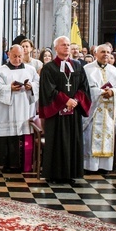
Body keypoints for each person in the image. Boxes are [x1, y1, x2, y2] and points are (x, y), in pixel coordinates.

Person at [38, 36, 91, 181]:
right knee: (56, 142)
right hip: (56, 113)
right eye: (63, 45)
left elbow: (83, 87)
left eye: (68, 45)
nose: (66, 47)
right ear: (56, 48)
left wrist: (75, 100)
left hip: (73, 112)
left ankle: (71, 173)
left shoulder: (78, 66)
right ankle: (54, 174)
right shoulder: (48, 68)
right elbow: (47, 90)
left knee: (72, 141)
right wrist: (65, 100)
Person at [0, 45, 39, 172]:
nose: (17, 59)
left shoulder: (31, 69)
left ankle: (26, 164)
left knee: (24, 133)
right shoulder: (0, 71)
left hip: (25, 107)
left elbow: (38, 83)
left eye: (20, 56)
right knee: (9, 135)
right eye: (15, 56)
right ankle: (8, 165)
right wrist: (9, 88)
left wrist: (31, 86)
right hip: (8, 109)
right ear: (8, 54)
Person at [82, 44, 116, 172]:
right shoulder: (87, 69)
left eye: (107, 52)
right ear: (95, 54)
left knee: (107, 136)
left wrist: (113, 92)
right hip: (93, 112)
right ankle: (90, 166)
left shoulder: (113, 70)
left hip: (108, 111)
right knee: (90, 138)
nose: (105, 54)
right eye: (102, 52)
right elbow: (84, 89)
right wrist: (99, 92)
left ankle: (104, 166)